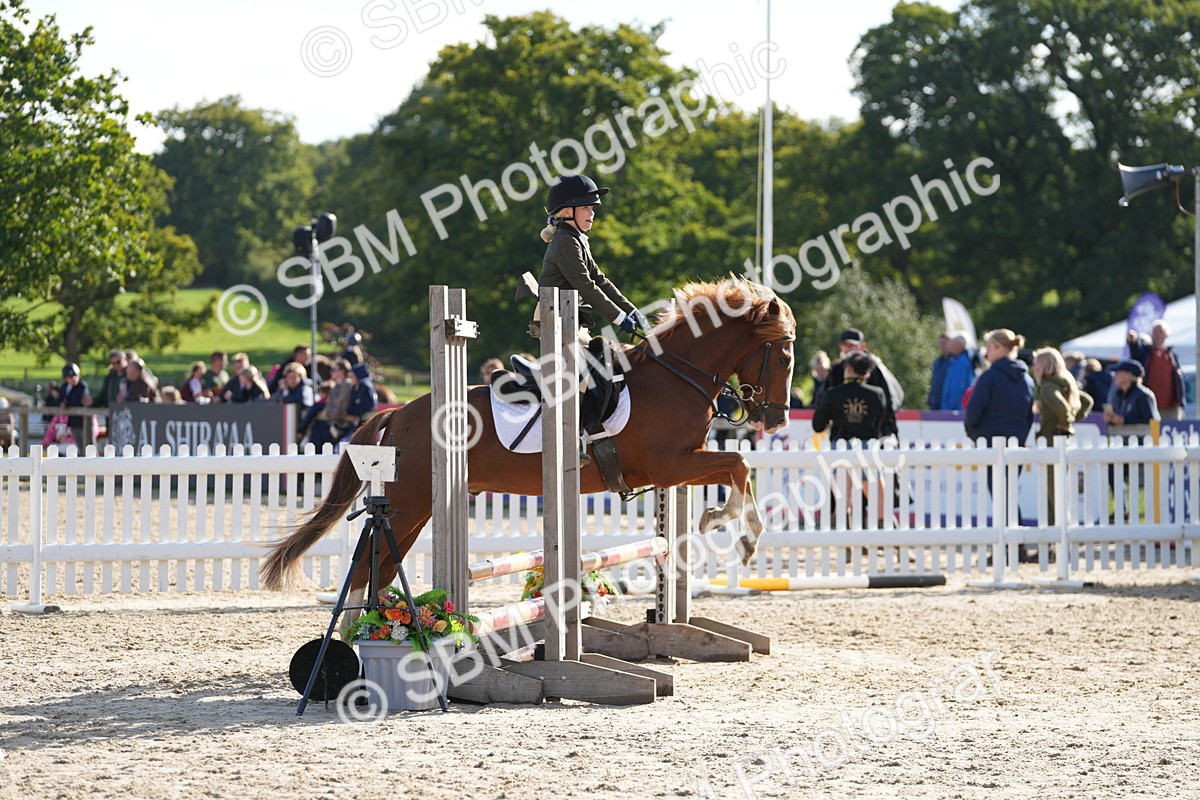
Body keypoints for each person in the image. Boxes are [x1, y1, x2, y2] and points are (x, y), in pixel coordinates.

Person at [538, 173, 646, 335]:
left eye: (592, 208)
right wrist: (619, 318)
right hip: (555, 322)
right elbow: (586, 285)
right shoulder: (565, 242)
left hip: (568, 318)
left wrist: (632, 311)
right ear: (567, 212)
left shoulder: (576, 239)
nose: (592, 213)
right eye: (585, 208)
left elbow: (599, 280)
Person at [812, 351, 890, 527]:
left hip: (840, 447)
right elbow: (882, 420)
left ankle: (844, 543)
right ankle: (884, 537)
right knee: (878, 500)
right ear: (866, 373)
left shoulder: (832, 394)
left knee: (842, 500)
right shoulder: (877, 394)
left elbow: (818, 425)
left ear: (848, 369)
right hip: (867, 449)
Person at [1032, 348, 1094, 525]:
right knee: (1056, 492)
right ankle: (1055, 537)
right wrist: (1073, 418)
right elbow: (1087, 401)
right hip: (1060, 443)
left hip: (1052, 442)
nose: (1034, 368)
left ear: (1044, 365)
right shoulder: (1064, 383)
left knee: (1053, 494)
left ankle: (1057, 536)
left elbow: (1061, 408)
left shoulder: (1047, 387)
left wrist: (1066, 424)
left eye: (1036, 364)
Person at [825, 328, 904, 437]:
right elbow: (825, 399)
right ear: (840, 346)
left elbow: (888, 404)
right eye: (845, 345)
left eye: (852, 345)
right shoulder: (836, 369)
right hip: (843, 434)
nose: (849, 349)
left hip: (874, 434)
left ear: (862, 347)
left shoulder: (874, 369)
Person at [964, 329, 1034, 444]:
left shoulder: (989, 377)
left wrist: (974, 433)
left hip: (987, 444)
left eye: (989, 347)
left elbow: (973, 411)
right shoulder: (1027, 380)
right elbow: (1028, 417)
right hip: (1015, 444)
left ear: (999, 347)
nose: (986, 352)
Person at [1128, 320, 1185, 420]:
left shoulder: (1172, 355)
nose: (1157, 334)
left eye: (1160, 331)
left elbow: (1179, 379)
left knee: (1172, 433)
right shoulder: (1145, 353)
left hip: (1172, 407)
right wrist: (1133, 341)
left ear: (1167, 334)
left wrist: (1181, 401)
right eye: (1155, 331)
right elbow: (1135, 353)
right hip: (1151, 405)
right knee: (1154, 434)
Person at [309, 359, 353, 452]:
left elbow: (341, 404)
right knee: (318, 426)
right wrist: (327, 412)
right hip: (335, 418)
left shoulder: (347, 385)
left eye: (334, 369)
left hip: (343, 420)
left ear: (342, 371)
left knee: (321, 428)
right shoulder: (336, 386)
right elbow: (330, 404)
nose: (331, 372)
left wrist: (330, 414)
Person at [1104, 359, 1159, 429]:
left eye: (1118, 372)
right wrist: (1111, 420)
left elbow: (1152, 422)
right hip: (1123, 439)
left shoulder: (1143, 395)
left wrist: (1125, 421)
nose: (1114, 375)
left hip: (1141, 439)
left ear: (1129, 375)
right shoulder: (1118, 395)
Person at [58, 362, 92, 444]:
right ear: (65, 378)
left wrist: (67, 404)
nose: (73, 378)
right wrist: (62, 403)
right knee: (79, 445)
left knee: (89, 445)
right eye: (70, 377)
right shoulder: (64, 387)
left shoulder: (82, 386)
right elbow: (60, 399)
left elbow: (78, 400)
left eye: (75, 376)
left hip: (83, 421)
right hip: (73, 421)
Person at [940, 333, 975, 412]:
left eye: (953, 343)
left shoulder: (961, 363)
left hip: (956, 410)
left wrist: (948, 408)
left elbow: (956, 387)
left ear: (960, 345)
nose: (950, 346)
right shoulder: (957, 361)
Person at [345, 362, 378, 437]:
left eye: (352, 376)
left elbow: (367, 406)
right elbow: (352, 403)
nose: (350, 378)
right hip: (357, 421)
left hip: (365, 422)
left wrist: (356, 413)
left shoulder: (365, 387)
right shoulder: (355, 387)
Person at [928, 333, 951, 410]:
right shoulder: (937, 362)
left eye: (945, 343)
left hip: (946, 404)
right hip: (934, 403)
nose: (942, 345)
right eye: (941, 343)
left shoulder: (953, 362)